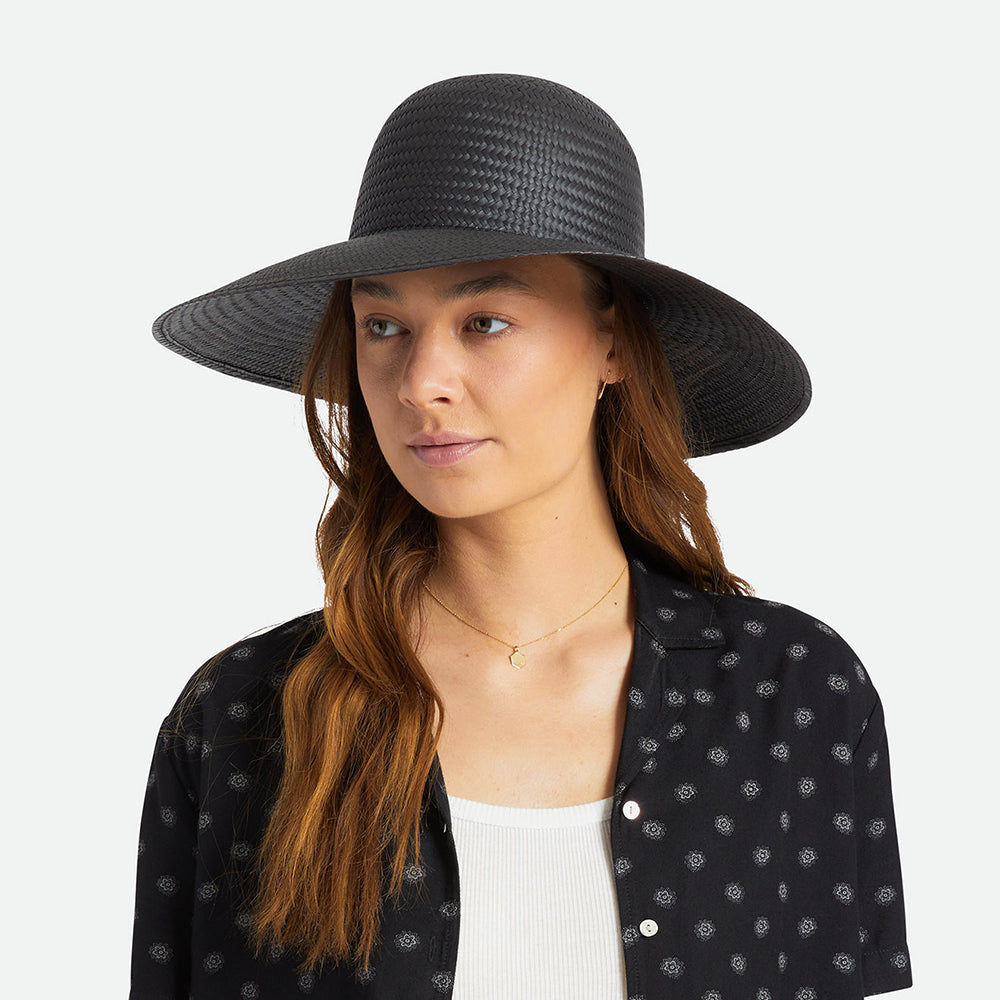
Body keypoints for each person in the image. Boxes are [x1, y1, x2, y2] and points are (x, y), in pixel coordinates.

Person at [130, 73, 913, 999]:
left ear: (613, 344)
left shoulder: (795, 694)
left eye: (486, 322)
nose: (421, 381)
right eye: (383, 325)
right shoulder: (243, 716)